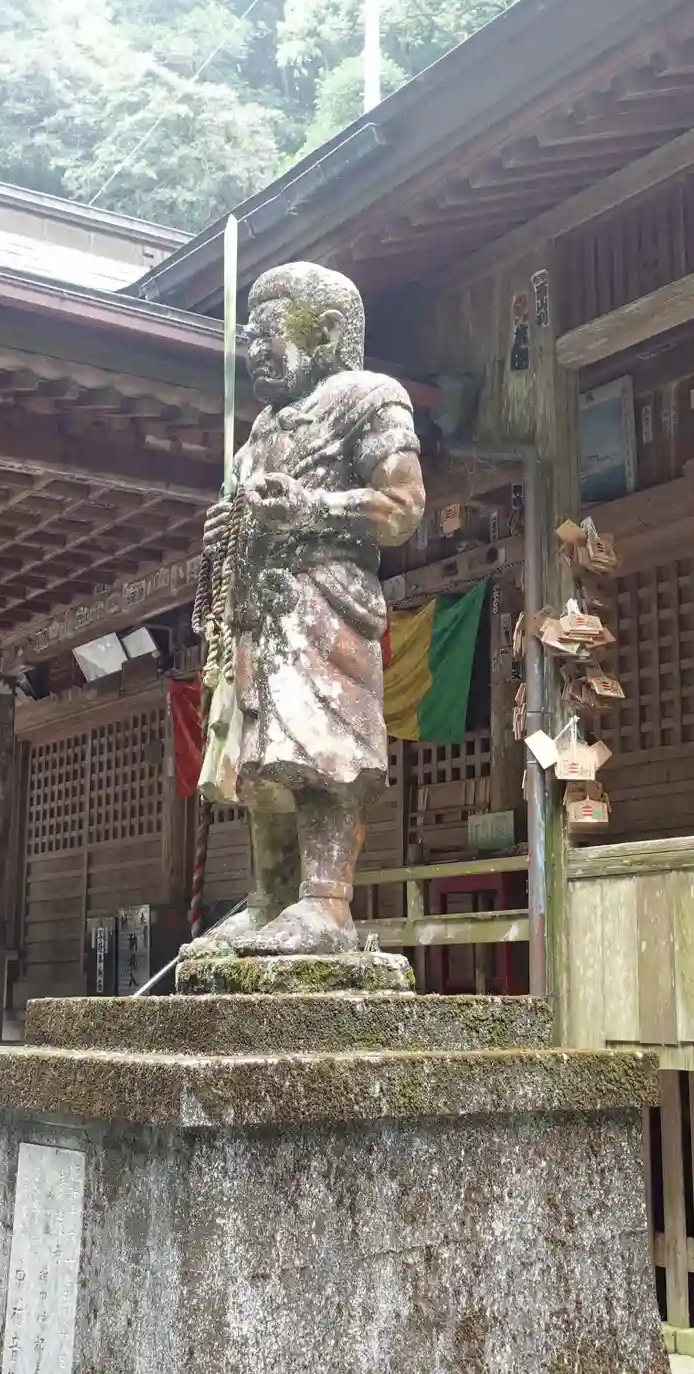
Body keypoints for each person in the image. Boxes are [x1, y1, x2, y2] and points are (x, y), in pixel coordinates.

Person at [189, 262, 425, 955]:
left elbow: (404, 506)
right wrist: (227, 526)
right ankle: (270, 897)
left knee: (323, 749)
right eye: (249, 337)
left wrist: (314, 505)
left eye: (269, 333)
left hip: (324, 596)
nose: (255, 351)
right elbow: (243, 508)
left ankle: (326, 901)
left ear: (323, 332)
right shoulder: (260, 427)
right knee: (258, 757)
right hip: (256, 608)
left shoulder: (369, 398)